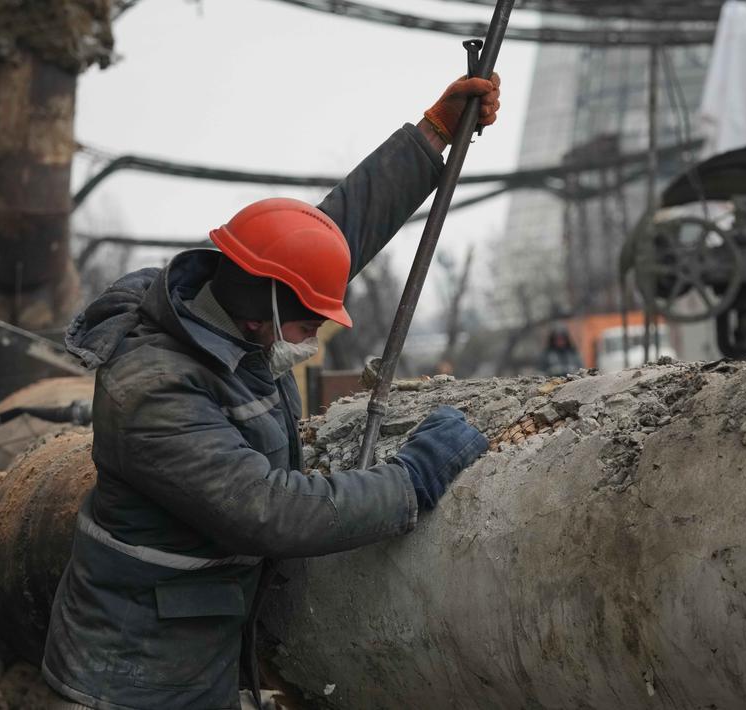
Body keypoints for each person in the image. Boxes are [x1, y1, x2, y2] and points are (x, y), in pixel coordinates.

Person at [42, 73, 502, 710]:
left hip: (191, 649)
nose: (315, 337)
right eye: (310, 324)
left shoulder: (231, 311)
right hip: (132, 677)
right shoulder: (154, 389)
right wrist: (410, 481)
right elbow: (267, 510)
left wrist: (433, 137)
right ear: (264, 312)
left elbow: (324, 241)